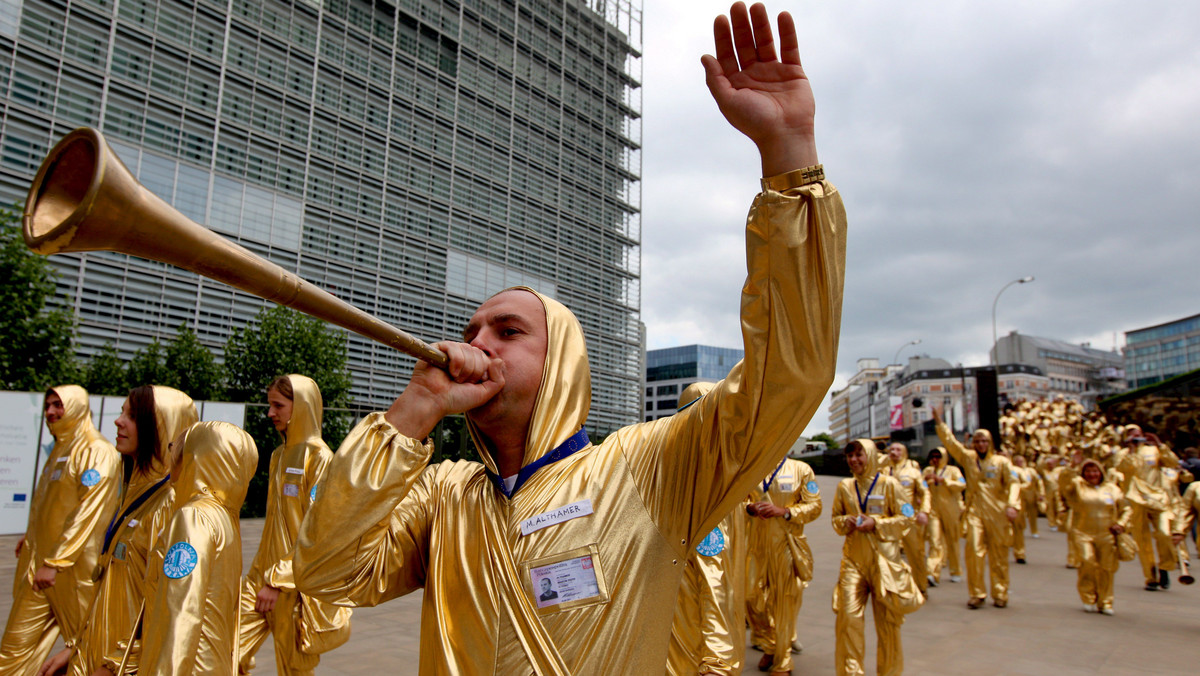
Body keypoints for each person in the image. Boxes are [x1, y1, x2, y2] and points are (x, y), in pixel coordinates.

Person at [292, 3, 847, 671]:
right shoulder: (445, 497)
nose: (478, 341)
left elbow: (790, 375)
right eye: (473, 329)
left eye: (509, 330)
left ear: (561, 366)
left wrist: (789, 158)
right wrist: (410, 415)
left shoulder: (649, 469)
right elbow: (326, 574)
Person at [36, 385, 198, 676]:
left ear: (161, 427)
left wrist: (114, 667)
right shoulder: (134, 494)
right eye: (123, 412)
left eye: (132, 416)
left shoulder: (170, 505)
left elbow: (168, 611)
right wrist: (77, 648)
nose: (118, 421)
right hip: (95, 656)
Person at [0, 386, 121, 673]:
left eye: (58, 405)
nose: (50, 412)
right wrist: (31, 538)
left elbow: (87, 512)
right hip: (42, 571)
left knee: (89, 651)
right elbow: (51, 504)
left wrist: (56, 562)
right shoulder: (60, 450)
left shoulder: (97, 451)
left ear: (77, 407)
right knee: (13, 651)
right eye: (48, 406)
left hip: (76, 573)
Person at [238, 376, 350, 675]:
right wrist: (263, 579)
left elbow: (319, 533)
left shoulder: (320, 458)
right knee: (225, 649)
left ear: (300, 406)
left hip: (292, 587)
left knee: (294, 670)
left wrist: (278, 581)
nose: (270, 413)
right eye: (270, 404)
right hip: (259, 580)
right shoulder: (278, 455)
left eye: (278, 405)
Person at [133, 421, 258, 675]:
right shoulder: (223, 518)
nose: (173, 458)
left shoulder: (193, 518)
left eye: (178, 449)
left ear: (196, 457)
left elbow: (181, 615)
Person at [665, 383, 748, 676]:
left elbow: (717, 582)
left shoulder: (721, 479)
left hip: (699, 640)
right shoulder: (672, 469)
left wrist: (718, 662)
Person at [830, 439, 920, 676]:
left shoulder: (890, 484)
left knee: (888, 625)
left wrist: (877, 523)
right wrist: (844, 522)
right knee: (848, 620)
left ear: (870, 455)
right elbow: (835, 520)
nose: (854, 460)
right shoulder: (844, 486)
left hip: (884, 564)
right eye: (850, 456)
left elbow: (907, 517)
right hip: (853, 562)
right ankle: (851, 672)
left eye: (859, 455)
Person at [932, 408, 1021, 609]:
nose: (980, 445)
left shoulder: (1001, 462)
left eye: (984, 441)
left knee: (998, 555)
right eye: (977, 441)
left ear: (990, 443)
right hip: (974, 512)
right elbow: (951, 443)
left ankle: (1000, 592)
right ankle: (977, 593)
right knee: (973, 551)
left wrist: (1013, 505)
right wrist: (939, 422)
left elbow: (1013, 483)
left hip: (997, 513)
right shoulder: (968, 458)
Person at [745, 452, 821, 675]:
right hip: (755, 546)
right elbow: (739, 500)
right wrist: (749, 508)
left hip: (786, 545)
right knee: (750, 597)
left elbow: (815, 506)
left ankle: (782, 660)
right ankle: (771, 643)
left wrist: (786, 511)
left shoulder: (801, 470)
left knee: (784, 605)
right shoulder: (753, 467)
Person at [1059, 454, 1130, 615]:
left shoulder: (1112, 489)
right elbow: (1064, 488)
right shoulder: (1077, 485)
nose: (1092, 474)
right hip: (1082, 532)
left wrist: (1121, 524)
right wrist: (1071, 468)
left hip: (1106, 534)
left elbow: (1126, 508)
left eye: (1095, 471)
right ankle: (1088, 597)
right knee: (1087, 562)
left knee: (1106, 568)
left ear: (1101, 472)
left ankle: (1105, 601)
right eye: (1088, 471)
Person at [1115, 426, 1180, 590]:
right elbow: (1120, 470)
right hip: (1136, 501)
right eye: (1131, 434)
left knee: (1165, 534)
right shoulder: (1123, 454)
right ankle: (1151, 576)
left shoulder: (1154, 450)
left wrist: (1160, 444)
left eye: (1138, 434)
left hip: (1158, 499)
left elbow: (1173, 462)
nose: (1135, 436)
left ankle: (1165, 567)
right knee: (1143, 541)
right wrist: (1130, 450)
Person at [882, 443, 930, 592]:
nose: (894, 452)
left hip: (909, 518)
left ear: (904, 453)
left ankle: (920, 586)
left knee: (916, 554)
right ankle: (892, 586)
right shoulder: (883, 471)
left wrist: (924, 511)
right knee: (887, 554)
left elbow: (925, 492)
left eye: (898, 450)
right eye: (891, 450)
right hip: (887, 519)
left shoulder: (913, 472)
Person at [922, 447, 964, 585]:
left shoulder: (953, 470)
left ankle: (956, 570)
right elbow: (920, 485)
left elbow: (962, 485)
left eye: (938, 457)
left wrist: (944, 481)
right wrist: (925, 482)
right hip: (934, 510)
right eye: (933, 456)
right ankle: (932, 573)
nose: (935, 459)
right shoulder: (928, 471)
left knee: (952, 541)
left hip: (950, 509)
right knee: (935, 541)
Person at [1010, 454, 1041, 564]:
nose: (1019, 462)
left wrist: (1016, 487)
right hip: (1001, 501)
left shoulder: (1026, 471)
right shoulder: (1002, 468)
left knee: (1018, 526)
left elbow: (1029, 483)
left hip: (1021, 500)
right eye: (1017, 460)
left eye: (1021, 460)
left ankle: (1020, 553)